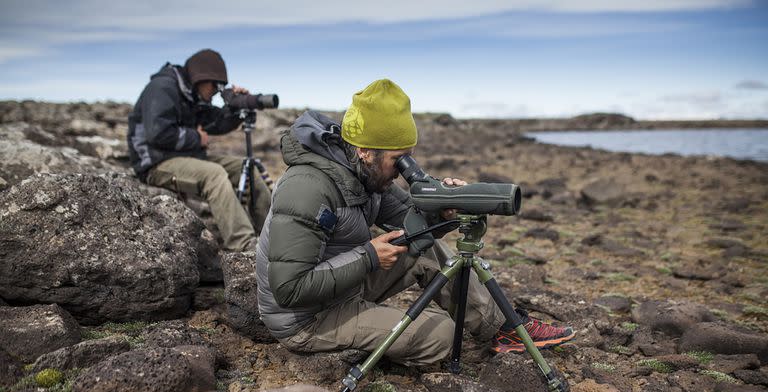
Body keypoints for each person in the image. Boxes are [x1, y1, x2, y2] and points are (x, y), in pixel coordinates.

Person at [255, 79, 574, 365]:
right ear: (365, 151)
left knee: (424, 244)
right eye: (398, 160)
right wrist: (368, 257)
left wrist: (446, 207)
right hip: (306, 318)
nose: (403, 169)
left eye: (408, 157)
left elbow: (414, 220)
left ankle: (500, 329)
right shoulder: (307, 189)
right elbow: (288, 289)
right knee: (442, 336)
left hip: (343, 288)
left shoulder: (364, 175)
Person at [127, 48, 270, 252]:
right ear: (201, 78)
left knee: (245, 168)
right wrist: (197, 138)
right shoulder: (162, 88)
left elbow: (216, 124)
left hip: (187, 157)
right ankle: (244, 245)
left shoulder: (191, 95)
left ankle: (274, 233)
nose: (216, 91)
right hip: (155, 163)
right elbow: (157, 134)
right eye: (215, 85)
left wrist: (237, 109)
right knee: (214, 174)